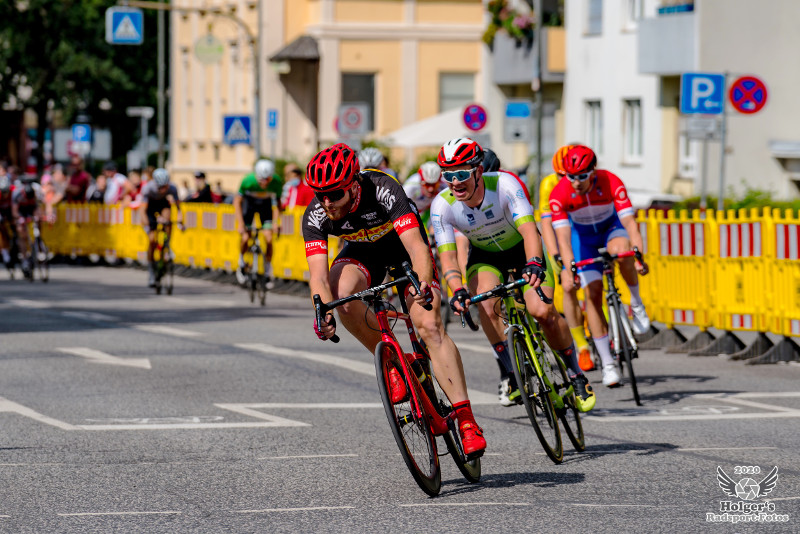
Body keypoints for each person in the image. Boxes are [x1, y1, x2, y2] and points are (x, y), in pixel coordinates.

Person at [302, 143, 486, 458]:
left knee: (428, 325)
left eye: (335, 194)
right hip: (362, 254)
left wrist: (424, 285)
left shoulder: (383, 189)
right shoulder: (316, 213)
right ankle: (394, 364)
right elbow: (318, 276)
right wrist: (322, 311)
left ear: (354, 183)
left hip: (402, 250)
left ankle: (466, 420)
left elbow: (416, 246)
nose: (327, 202)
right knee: (339, 296)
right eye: (321, 194)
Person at [430, 137, 595, 412]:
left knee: (542, 312)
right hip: (484, 257)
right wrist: (456, 290)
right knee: (484, 302)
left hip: (522, 248)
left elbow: (530, 230)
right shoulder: (442, 205)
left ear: (478, 171)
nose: (455, 182)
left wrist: (533, 262)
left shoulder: (505, 184)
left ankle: (576, 374)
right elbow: (448, 258)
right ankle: (510, 372)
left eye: (461, 174)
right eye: (448, 176)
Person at [549, 145, 651, 388]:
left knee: (622, 251)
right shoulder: (559, 194)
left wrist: (638, 257)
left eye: (582, 176)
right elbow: (563, 238)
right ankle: (607, 364)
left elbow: (630, 222)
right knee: (592, 295)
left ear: (592, 171)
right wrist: (569, 268)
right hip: (583, 240)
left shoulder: (611, 181)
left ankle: (636, 303)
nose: (576, 182)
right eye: (571, 176)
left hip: (610, 230)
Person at [539, 145, 595, 372]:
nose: (570, 181)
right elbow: (546, 222)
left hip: (583, 231)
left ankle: (603, 329)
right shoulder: (549, 184)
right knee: (570, 288)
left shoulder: (588, 180)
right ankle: (582, 347)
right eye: (563, 176)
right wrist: (554, 254)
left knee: (594, 285)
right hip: (561, 233)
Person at [234, 159, 284, 285]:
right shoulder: (248, 181)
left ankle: (267, 271)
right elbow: (237, 202)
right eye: (261, 180)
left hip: (265, 206)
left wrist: (276, 222)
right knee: (245, 237)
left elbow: (278, 204)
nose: (264, 183)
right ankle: (241, 262)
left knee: (268, 238)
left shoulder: (277, 182)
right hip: (249, 205)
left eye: (267, 180)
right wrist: (240, 223)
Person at [139, 168, 184, 287]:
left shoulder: (172, 188)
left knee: (168, 217)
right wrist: (147, 226)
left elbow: (179, 208)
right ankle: (151, 272)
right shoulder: (148, 188)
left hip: (163, 205)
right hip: (150, 207)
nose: (163, 189)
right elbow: (142, 211)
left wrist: (180, 221)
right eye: (161, 187)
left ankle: (167, 243)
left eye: (165, 186)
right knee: (152, 240)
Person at [12, 177, 44, 279]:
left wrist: (38, 217)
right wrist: (20, 218)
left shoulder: (33, 195)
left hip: (30, 210)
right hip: (21, 211)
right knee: (21, 231)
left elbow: (37, 208)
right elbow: (15, 211)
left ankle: (38, 244)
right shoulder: (18, 195)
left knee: (39, 221)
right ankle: (24, 258)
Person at [0, 174, 15, 268]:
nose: (5, 194)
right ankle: (5, 253)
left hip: (10, 211)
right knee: (2, 230)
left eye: (7, 191)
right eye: (3, 192)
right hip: (1, 212)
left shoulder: (13, 190)